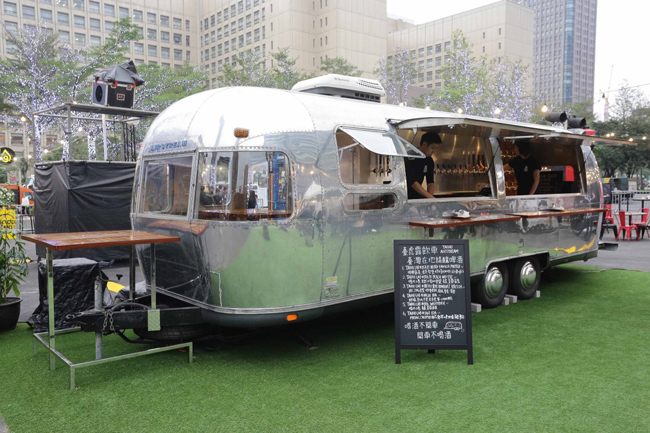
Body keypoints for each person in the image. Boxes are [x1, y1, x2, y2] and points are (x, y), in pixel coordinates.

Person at [405, 132, 441, 199]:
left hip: (417, 196)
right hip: (404, 195)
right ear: (424, 144)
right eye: (432, 148)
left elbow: (430, 183)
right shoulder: (409, 156)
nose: (434, 151)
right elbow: (412, 182)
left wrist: (430, 199)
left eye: (436, 148)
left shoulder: (429, 160)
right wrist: (430, 197)